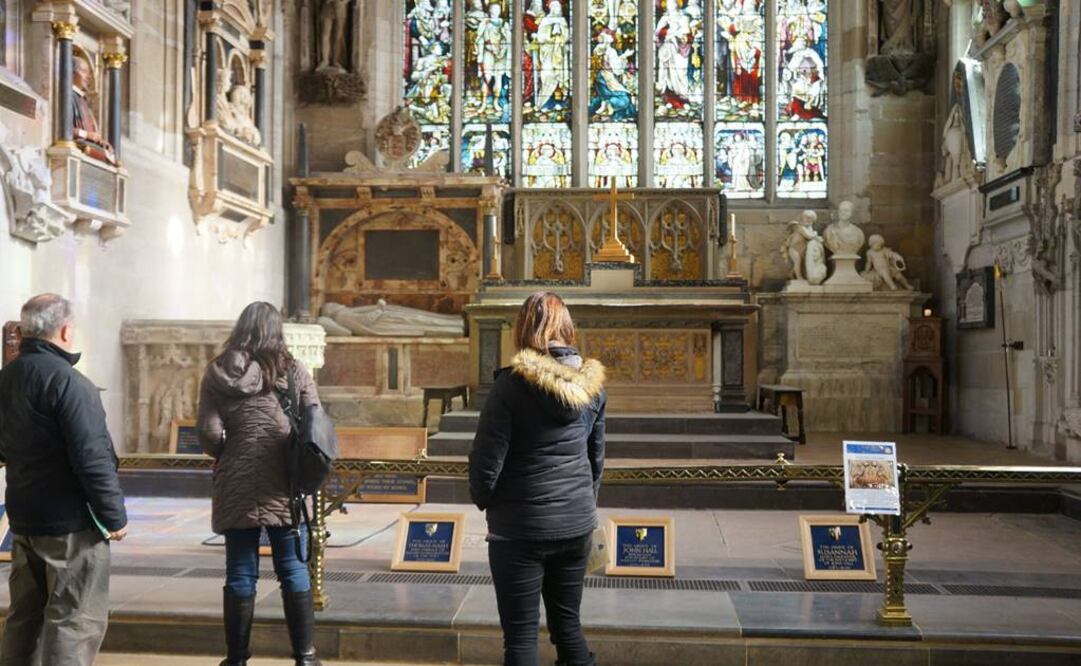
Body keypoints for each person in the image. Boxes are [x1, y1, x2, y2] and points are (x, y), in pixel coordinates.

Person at [469, 292, 607, 666]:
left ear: (524, 329)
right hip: (576, 523)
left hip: (519, 528)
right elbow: (596, 459)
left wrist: (488, 501)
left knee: (520, 637)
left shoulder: (511, 385)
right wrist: (581, 504)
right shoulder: (591, 386)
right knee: (568, 627)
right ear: (566, 328)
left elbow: (486, 461)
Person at [0, 294, 128, 666]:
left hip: (24, 519)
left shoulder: (6, 378)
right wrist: (114, 516)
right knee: (73, 620)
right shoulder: (71, 384)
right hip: (71, 526)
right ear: (66, 330)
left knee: (24, 618)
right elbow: (92, 459)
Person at [197, 302, 323, 666]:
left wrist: (231, 449)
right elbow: (315, 422)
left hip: (237, 480)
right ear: (276, 330)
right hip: (286, 481)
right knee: (293, 568)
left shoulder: (217, 372)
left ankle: (236, 660)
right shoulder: (294, 369)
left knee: (240, 570)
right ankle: (305, 657)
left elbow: (207, 433)